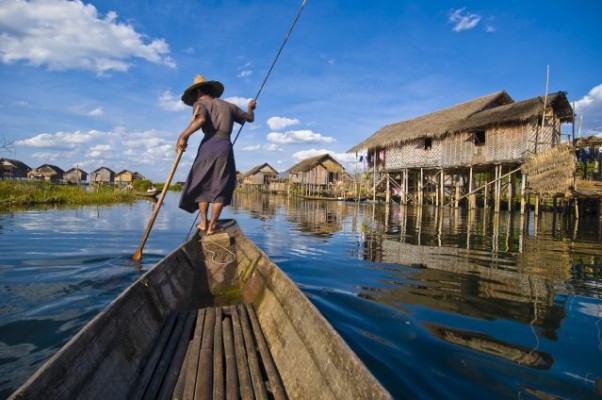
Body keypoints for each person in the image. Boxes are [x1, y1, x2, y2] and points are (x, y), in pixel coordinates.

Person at [176, 75, 256, 234]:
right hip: (225, 146)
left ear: (198, 91)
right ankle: (212, 226)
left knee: (202, 183)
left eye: (194, 95)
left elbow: (200, 121)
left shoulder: (200, 103)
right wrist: (250, 108)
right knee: (220, 186)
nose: (194, 98)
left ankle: (204, 223)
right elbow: (250, 118)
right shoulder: (230, 106)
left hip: (208, 144)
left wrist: (183, 136)